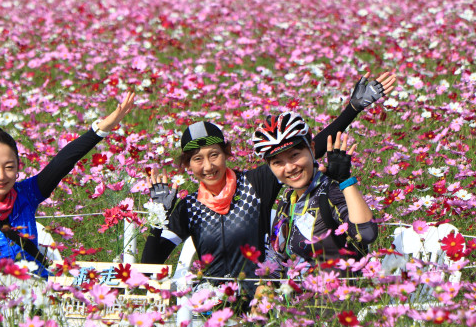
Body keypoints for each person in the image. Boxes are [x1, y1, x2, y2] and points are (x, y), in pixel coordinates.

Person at [140, 72, 396, 306]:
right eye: (197, 159)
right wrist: (158, 215)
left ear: (226, 154)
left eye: (214, 155)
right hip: (215, 306)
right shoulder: (189, 207)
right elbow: (151, 263)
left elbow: (303, 151)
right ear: (188, 166)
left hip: (262, 302)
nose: (208, 166)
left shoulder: (253, 184)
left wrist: (352, 109)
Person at [0, 92, 136, 277]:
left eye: (9, 167)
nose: (1, 176)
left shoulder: (25, 194)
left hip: (38, 296)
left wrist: (100, 130)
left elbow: (62, 163)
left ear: (19, 166)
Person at [253, 114, 377, 278]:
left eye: (294, 155)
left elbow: (366, 234)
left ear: (312, 149)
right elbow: (276, 257)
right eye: (277, 162)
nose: (289, 168)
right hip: (301, 300)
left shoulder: (331, 191)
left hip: (342, 298)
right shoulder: (286, 202)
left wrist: (345, 180)